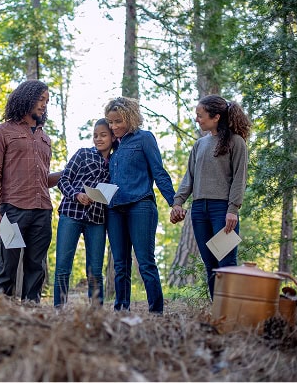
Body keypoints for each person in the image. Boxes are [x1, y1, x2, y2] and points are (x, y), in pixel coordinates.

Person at [0, 80, 61, 303]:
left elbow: (43, 180)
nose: (44, 104)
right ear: (27, 97)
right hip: (12, 210)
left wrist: (67, 172)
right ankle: (2, 315)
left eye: (47, 101)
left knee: (36, 268)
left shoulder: (45, 138)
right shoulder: (2, 132)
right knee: (7, 269)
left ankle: (32, 312)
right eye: (40, 99)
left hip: (42, 211)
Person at [170, 95, 251, 300]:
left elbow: (239, 178)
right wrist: (178, 202)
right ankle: (217, 313)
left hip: (221, 211)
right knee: (210, 265)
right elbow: (189, 176)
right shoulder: (200, 144)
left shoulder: (236, 142)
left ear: (215, 117)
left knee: (226, 263)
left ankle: (231, 312)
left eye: (200, 115)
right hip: (199, 211)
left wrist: (233, 209)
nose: (197, 119)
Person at [104, 96, 175, 313]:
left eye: (118, 121)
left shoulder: (144, 139)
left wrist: (175, 202)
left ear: (130, 118)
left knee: (145, 262)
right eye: (111, 122)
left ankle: (156, 311)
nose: (114, 126)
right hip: (114, 209)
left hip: (140, 206)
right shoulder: (112, 146)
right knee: (120, 265)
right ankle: (121, 309)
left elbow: (159, 172)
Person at [53, 118, 115, 307]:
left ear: (113, 137)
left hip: (97, 219)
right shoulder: (83, 154)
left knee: (95, 269)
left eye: (103, 135)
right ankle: (59, 308)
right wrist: (76, 194)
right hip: (71, 213)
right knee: (63, 266)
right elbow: (63, 180)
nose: (98, 139)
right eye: (95, 135)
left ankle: (96, 310)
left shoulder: (116, 162)